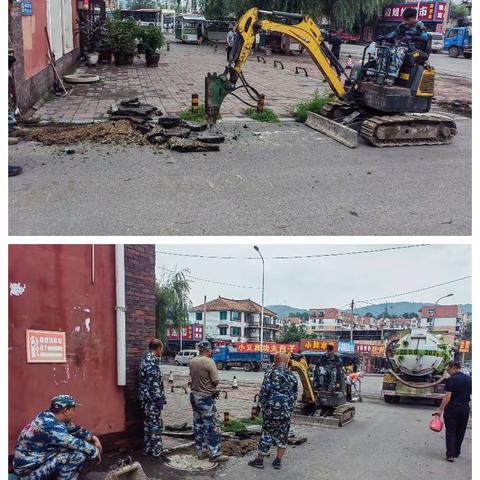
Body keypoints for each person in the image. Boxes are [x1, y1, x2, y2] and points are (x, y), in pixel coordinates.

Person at [13, 394, 101, 479]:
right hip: (28, 474)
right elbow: (73, 442)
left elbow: (73, 429)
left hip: (31, 464)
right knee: (77, 455)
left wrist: (93, 437)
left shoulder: (47, 416)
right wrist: (95, 452)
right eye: (73, 409)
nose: (74, 412)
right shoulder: (50, 426)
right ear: (66, 411)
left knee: (71, 449)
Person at [248, 352, 298, 470]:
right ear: (286, 361)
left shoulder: (270, 373)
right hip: (285, 413)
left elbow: (264, 392)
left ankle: (259, 460)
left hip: (271, 411)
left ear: (276, 360)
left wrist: (259, 408)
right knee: (283, 436)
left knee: (267, 434)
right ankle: (277, 461)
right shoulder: (292, 376)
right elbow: (295, 396)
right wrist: (289, 409)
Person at [189, 341, 229, 463]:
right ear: (208, 350)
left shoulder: (192, 361)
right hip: (205, 398)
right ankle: (215, 454)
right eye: (211, 350)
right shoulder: (209, 362)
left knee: (198, 425)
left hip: (194, 396)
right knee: (211, 426)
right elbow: (215, 381)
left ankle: (201, 452)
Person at [379, 7, 429, 85]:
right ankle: (380, 74)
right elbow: (394, 33)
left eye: (407, 19)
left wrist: (412, 38)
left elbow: (425, 38)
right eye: (404, 19)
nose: (405, 21)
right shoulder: (402, 25)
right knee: (384, 50)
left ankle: (391, 77)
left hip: (414, 49)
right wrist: (384, 36)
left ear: (413, 18)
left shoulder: (419, 25)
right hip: (402, 46)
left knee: (399, 52)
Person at [434, 361, 472, 462]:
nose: (448, 371)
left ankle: (450, 455)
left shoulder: (451, 379)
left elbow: (448, 396)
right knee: (461, 431)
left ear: (454, 368)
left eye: (448, 369)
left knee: (451, 431)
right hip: (465, 408)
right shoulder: (469, 379)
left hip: (452, 408)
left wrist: (440, 409)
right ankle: (456, 451)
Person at [138, 338, 167, 458]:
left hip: (145, 399)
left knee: (148, 425)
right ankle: (156, 453)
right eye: (162, 349)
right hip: (152, 400)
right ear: (158, 348)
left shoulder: (145, 358)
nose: (162, 351)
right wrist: (158, 399)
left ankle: (148, 449)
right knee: (155, 425)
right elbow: (153, 382)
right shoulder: (152, 361)